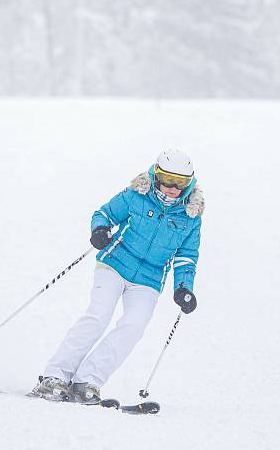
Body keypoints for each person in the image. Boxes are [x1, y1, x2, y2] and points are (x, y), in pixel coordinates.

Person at [30, 149, 204, 404]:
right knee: (98, 315)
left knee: (133, 327)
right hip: (114, 264)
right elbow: (104, 213)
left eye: (180, 183)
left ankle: (87, 381)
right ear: (156, 175)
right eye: (168, 179)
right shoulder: (137, 194)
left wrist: (183, 288)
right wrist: (100, 230)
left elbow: (187, 256)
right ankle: (54, 377)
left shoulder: (190, 216)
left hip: (149, 280)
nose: (172, 188)